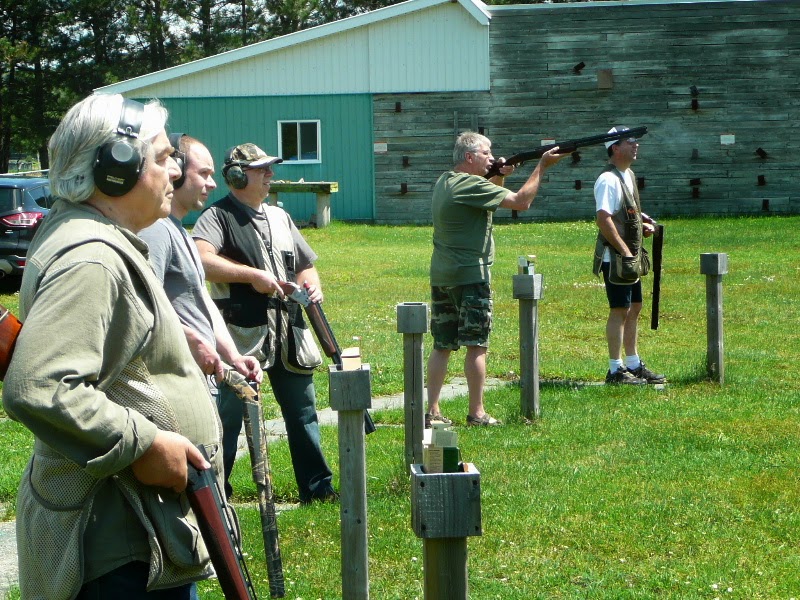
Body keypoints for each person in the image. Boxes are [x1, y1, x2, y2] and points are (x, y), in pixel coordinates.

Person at [2, 94, 225, 599]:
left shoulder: (98, 240)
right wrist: (145, 445)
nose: (175, 172)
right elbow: (38, 387)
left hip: (135, 533)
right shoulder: (93, 258)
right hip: (120, 548)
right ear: (117, 168)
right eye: (166, 157)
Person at [192, 142, 337, 504]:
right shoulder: (216, 217)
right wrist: (251, 276)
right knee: (228, 418)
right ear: (238, 176)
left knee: (304, 415)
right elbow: (202, 260)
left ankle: (317, 491)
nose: (270, 174)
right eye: (262, 169)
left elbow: (304, 264)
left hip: (289, 330)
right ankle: (217, 497)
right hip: (240, 335)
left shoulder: (279, 217)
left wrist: (312, 285)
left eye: (269, 168)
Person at [139, 135, 263, 499]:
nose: (212, 183)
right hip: (176, 385)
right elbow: (147, 303)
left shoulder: (180, 229)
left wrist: (233, 356)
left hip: (201, 378)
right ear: (175, 175)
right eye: (204, 173)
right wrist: (190, 341)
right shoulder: (157, 231)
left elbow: (204, 304)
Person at [425, 131, 567, 427]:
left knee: (442, 345)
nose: (491, 157)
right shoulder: (470, 183)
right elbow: (520, 202)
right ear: (470, 157)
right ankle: (477, 412)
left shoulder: (447, 181)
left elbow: (487, 201)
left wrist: (499, 175)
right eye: (486, 153)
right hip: (471, 275)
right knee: (477, 344)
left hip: (443, 275)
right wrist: (541, 167)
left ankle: (433, 411)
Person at [593, 126, 666, 385]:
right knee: (619, 309)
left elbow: (628, 212)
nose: (636, 145)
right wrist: (624, 251)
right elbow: (604, 218)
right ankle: (615, 369)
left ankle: (633, 364)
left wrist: (643, 223)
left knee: (634, 307)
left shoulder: (628, 175)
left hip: (629, 258)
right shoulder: (608, 179)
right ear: (615, 147)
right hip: (617, 259)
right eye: (630, 141)